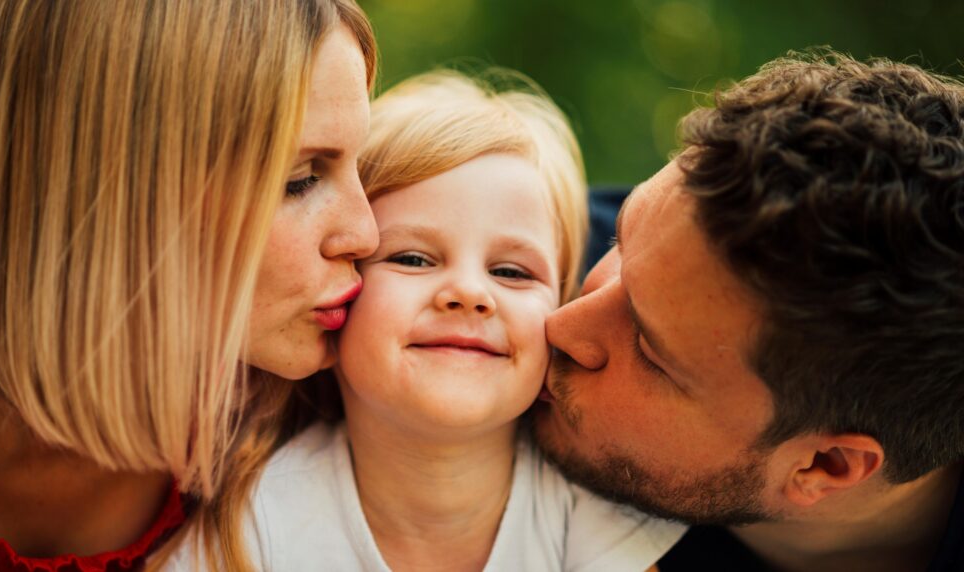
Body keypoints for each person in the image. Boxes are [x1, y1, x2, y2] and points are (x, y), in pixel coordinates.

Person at [168, 70, 685, 571]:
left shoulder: (587, 506)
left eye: (510, 271)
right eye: (412, 259)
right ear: (334, 303)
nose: (467, 293)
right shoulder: (256, 528)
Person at [0, 1, 377, 571]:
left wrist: (531, 432)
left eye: (361, 169)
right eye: (300, 180)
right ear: (101, 191)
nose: (365, 234)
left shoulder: (333, 418)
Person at [535, 50, 964, 572]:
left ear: (823, 466)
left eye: (649, 352)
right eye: (618, 241)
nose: (557, 322)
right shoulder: (505, 259)